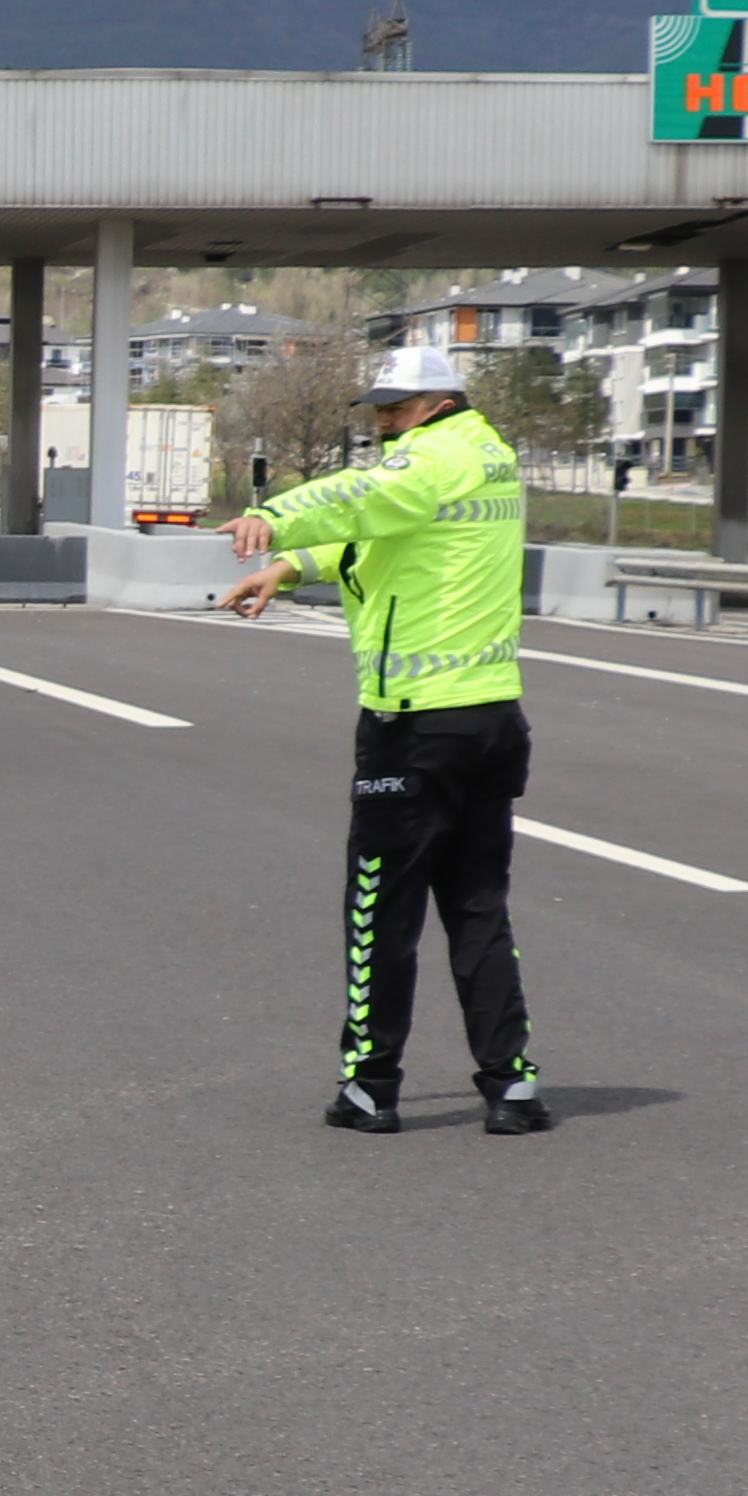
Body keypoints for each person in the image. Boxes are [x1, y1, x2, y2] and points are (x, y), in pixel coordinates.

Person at [225, 342, 544, 1136]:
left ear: (438, 401)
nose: (384, 425)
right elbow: (392, 535)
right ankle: (512, 1085)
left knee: (380, 909)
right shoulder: (484, 457)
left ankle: (371, 1087)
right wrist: (294, 569)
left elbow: (363, 498)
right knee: (477, 907)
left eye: (396, 409)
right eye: (378, 413)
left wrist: (272, 518)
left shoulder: (428, 458)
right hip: (491, 717)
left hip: (414, 725)